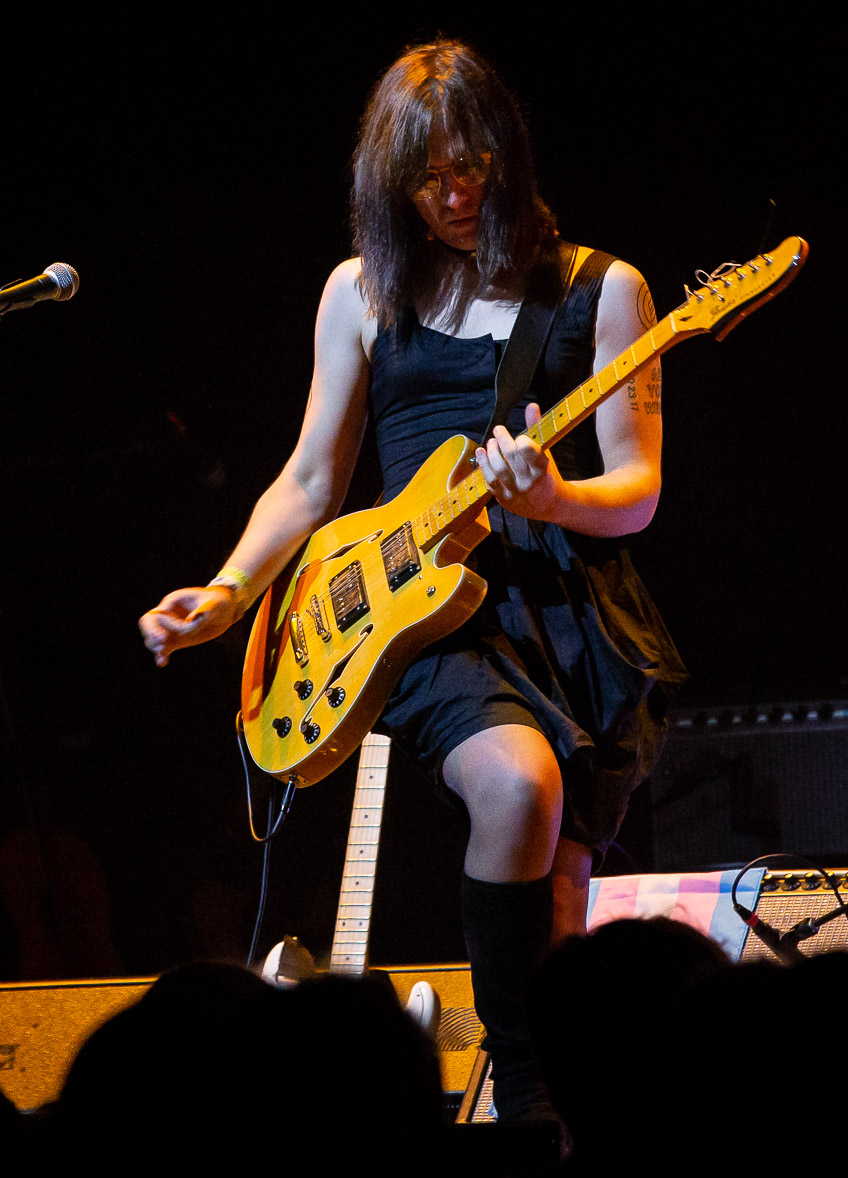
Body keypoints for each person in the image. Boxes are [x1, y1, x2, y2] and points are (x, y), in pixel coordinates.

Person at [139, 39, 684, 1120]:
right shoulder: (361, 293)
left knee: (561, 912)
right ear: (388, 185)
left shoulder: (602, 288)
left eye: (471, 166)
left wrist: (550, 499)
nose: (454, 194)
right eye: (427, 178)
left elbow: (637, 490)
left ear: (507, 153)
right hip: (425, 611)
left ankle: (554, 1122)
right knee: (517, 783)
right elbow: (311, 478)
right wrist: (230, 592)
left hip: (570, 616)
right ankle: (523, 1092)